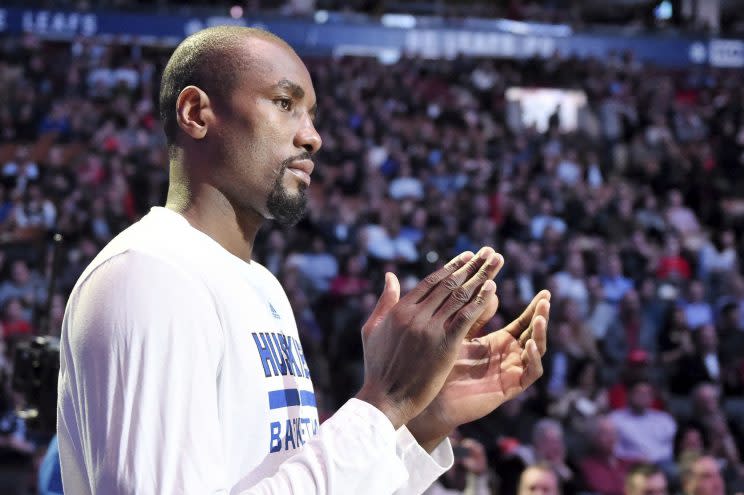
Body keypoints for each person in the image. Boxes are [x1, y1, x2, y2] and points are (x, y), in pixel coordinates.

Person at [57, 26, 552, 494]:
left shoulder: (263, 287)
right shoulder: (150, 276)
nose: (311, 137)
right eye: (284, 104)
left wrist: (416, 423)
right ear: (196, 113)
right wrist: (384, 403)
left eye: (311, 115)